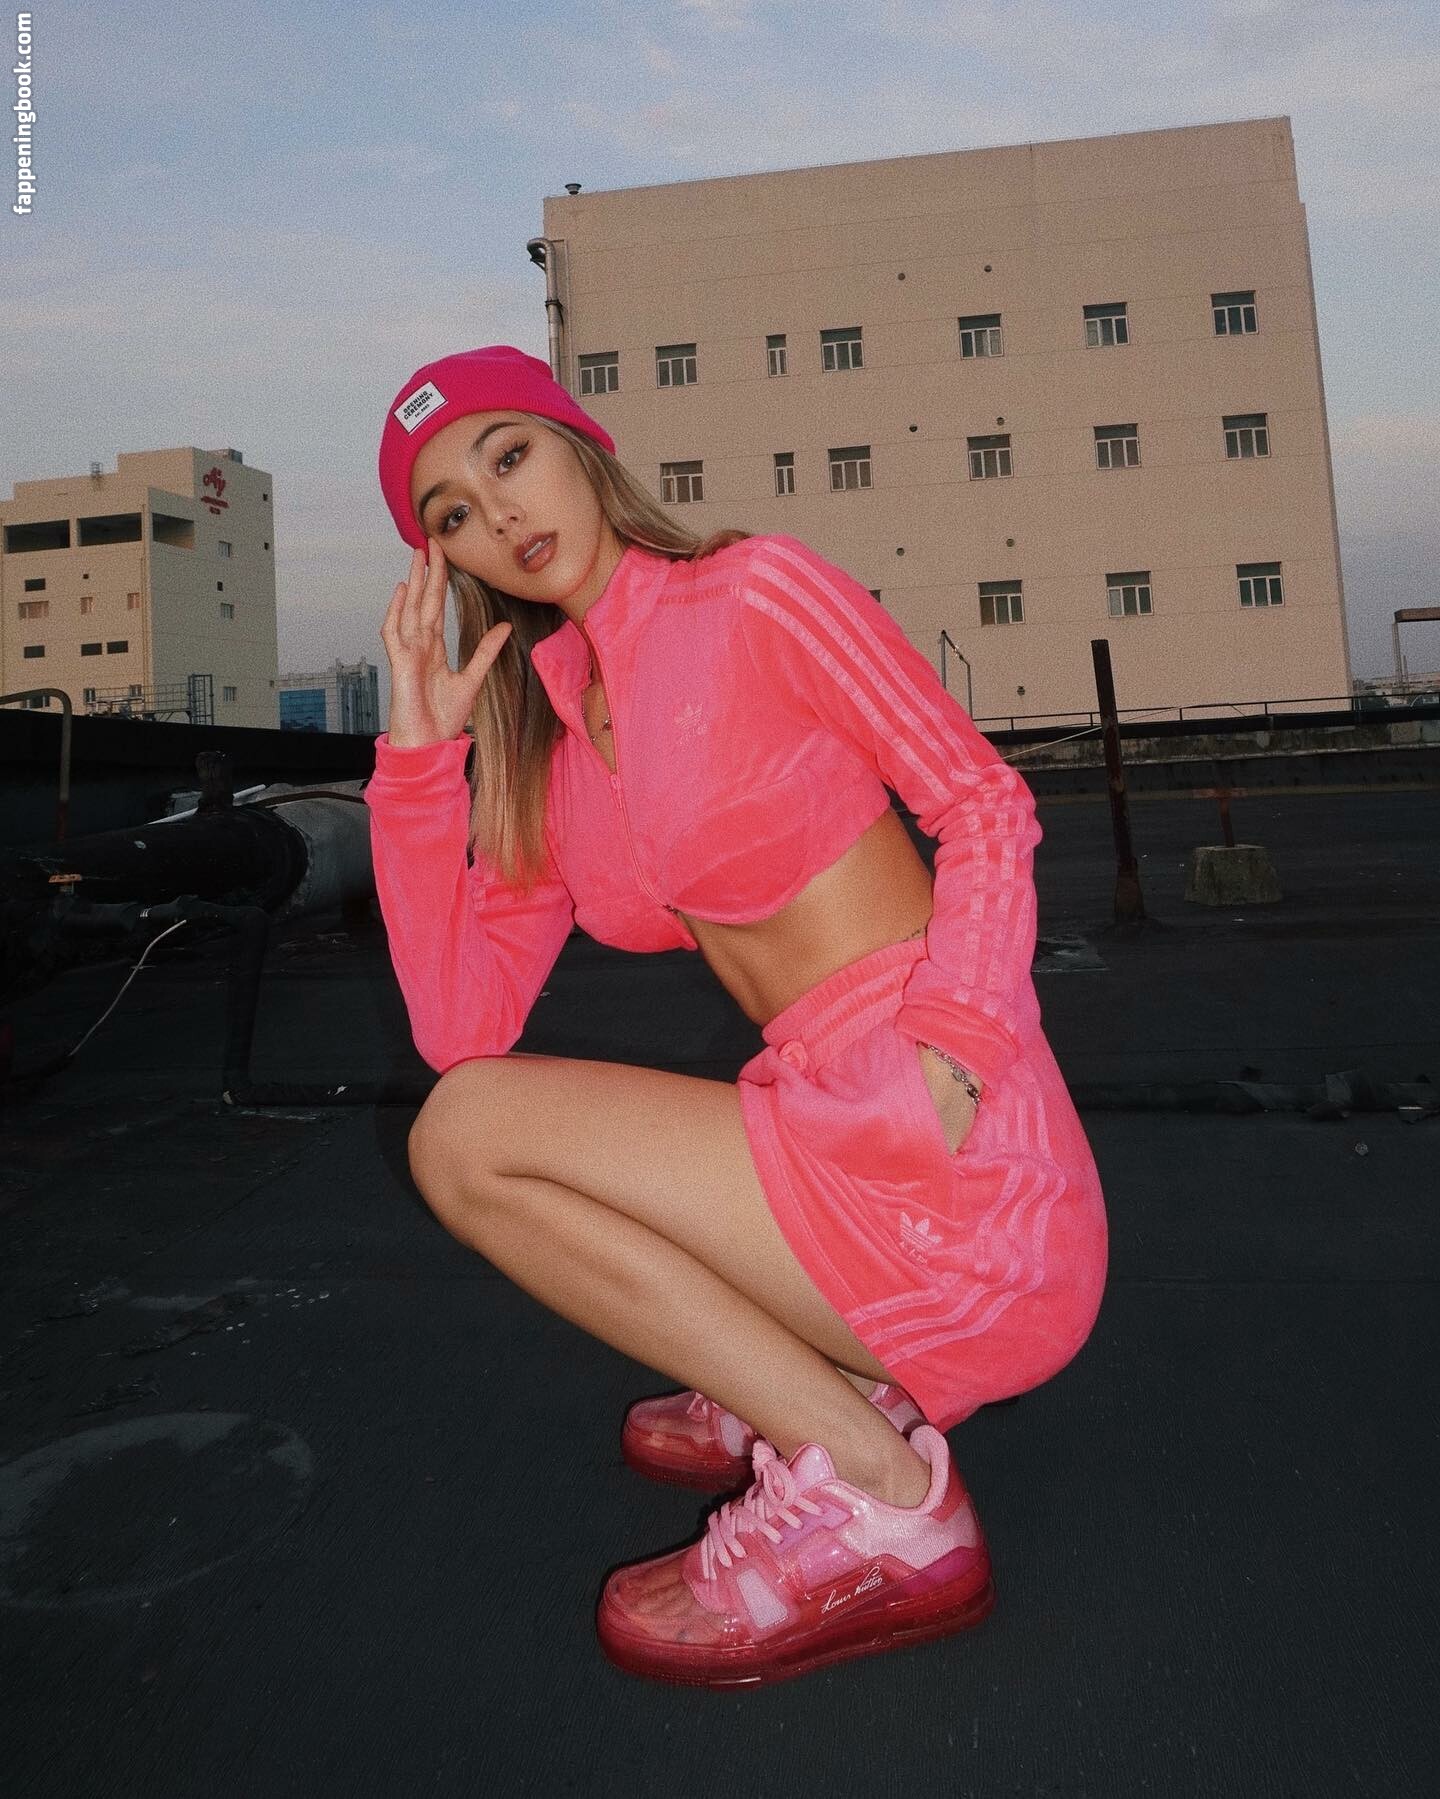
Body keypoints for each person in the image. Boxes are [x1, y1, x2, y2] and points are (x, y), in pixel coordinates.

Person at [366, 344, 1109, 1688]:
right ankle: (809, 1373)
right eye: (454, 513)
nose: (500, 513)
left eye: (509, 456)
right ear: (447, 562)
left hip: (958, 1153)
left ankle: (888, 1493)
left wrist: (955, 1054)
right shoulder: (551, 740)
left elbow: (983, 805)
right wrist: (419, 765)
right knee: (464, 1117)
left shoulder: (756, 591)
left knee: (464, 1138)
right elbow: (459, 1028)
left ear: (579, 445)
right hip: (816, 1119)